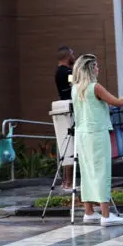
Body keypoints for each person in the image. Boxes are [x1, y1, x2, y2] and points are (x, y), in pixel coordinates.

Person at [69, 54, 123, 226]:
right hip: (97, 133)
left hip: (82, 134)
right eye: (96, 66)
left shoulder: (75, 88)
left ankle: (89, 212)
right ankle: (106, 215)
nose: (98, 69)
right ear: (90, 69)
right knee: (102, 172)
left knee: (87, 172)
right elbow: (117, 102)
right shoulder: (95, 87)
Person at [53, 46, 76, 189]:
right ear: (67, 56)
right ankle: (68, 181)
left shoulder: (58, 72)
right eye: (73, 54)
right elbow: (75, 85)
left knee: (66, 144)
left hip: (64, 108)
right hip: (69, 109)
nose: (74, 56)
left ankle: (67, 181)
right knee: (70, 145)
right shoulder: (67, 72)